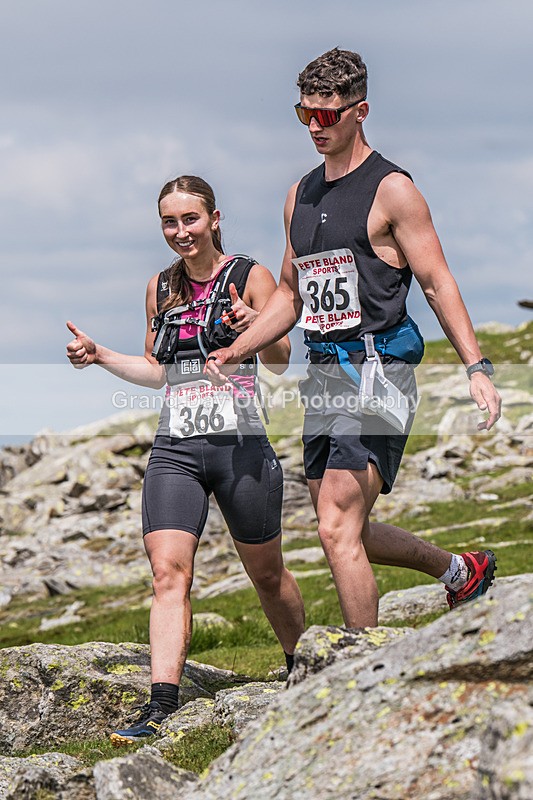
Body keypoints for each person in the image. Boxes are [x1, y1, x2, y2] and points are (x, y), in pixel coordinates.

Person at [206, 48, 501, 629]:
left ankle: (362, 675)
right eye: (304, 115)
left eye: (328, 116)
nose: (316, 127)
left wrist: (478, 367)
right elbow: (290, 295)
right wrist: (238, 349)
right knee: (349, 526)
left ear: (360, 111)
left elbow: (438, 282)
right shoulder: (300, 194)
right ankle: (458, 571)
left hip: (380, 369)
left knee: (336, 523)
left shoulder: (392, 190)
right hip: (325, 375)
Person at [66, 175, 305, 744]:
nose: (180, 233)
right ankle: (162, 703)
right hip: (176, 449)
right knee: (169, 574)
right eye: (169, 223)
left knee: (267, 576)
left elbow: (279, 360)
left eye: (190, 220)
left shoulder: (250, 277)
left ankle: (304, 664)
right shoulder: (160, 287)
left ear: (214, 218)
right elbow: (157, 370)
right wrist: (100, 356)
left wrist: (256, 330)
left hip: (240, 446)